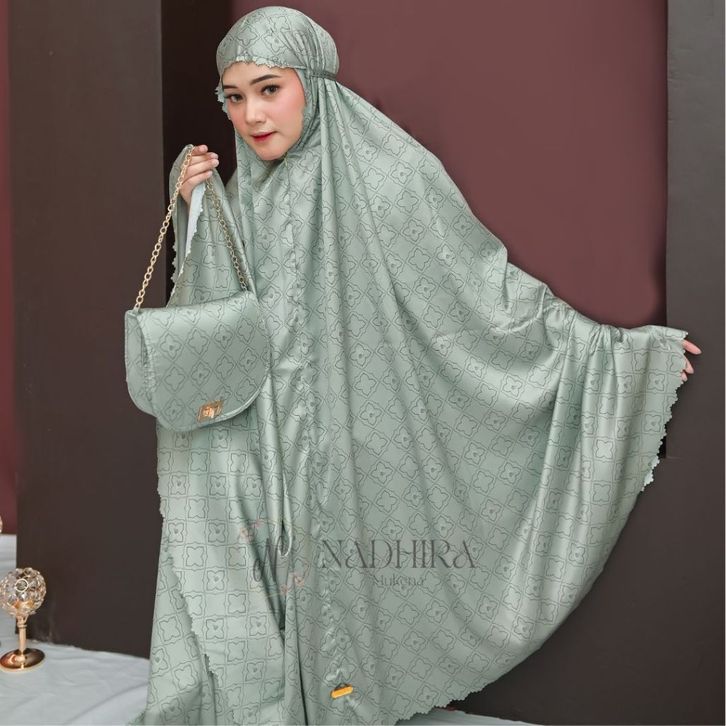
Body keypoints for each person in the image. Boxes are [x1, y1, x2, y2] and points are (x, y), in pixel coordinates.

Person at [129, 6, 701, 726]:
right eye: (234, 97)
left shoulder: (391, 173)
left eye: (269, 89)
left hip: (357, 443)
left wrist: (617, 356)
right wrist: (197, 209)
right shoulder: (244, 191)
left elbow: (484, 290)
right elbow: (222, 322)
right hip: (267, 445)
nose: (251, 116)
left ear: (313, 82)